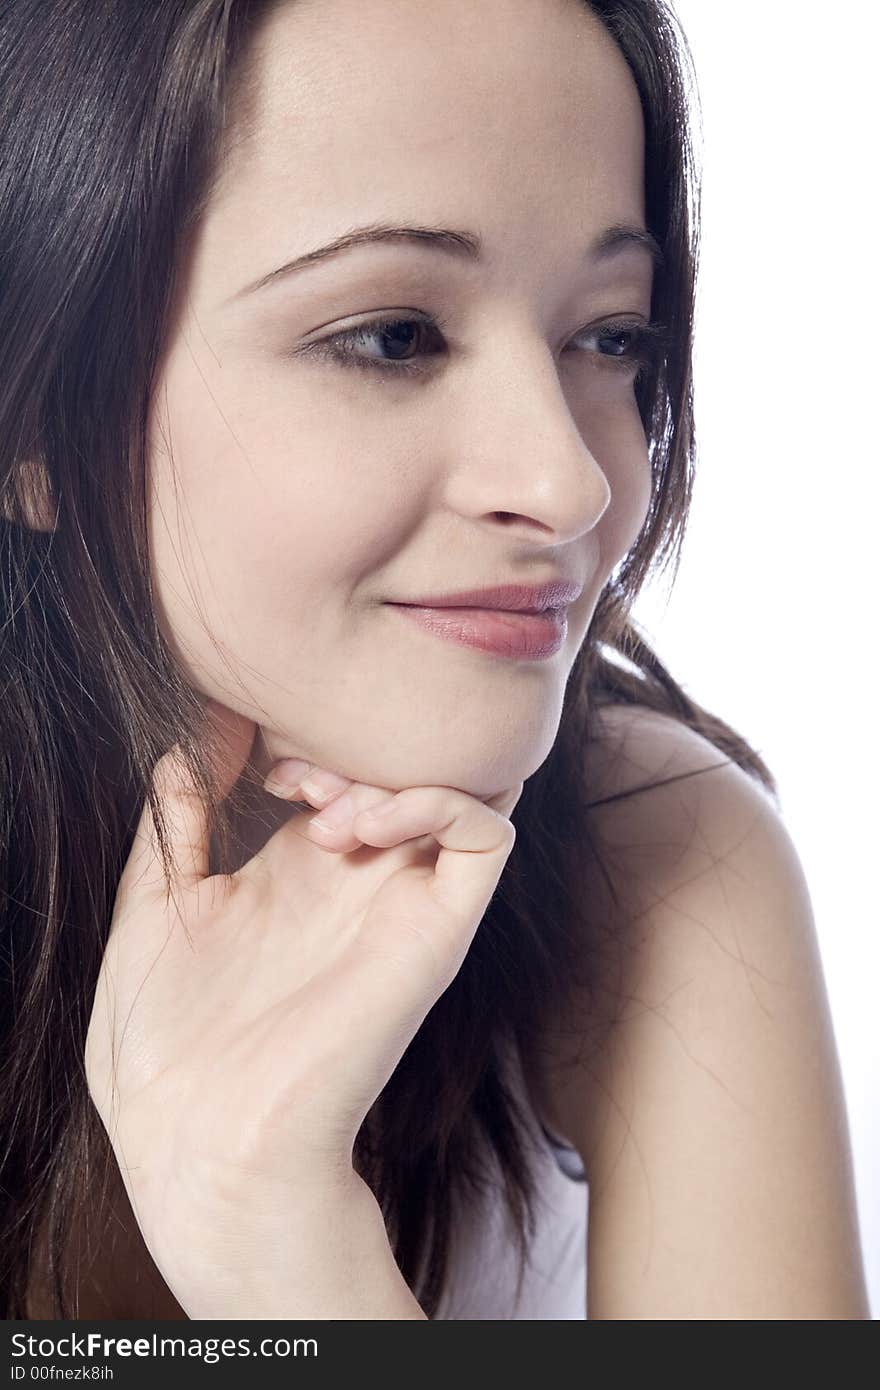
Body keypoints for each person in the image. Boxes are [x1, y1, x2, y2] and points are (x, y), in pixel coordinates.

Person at [0, 0, 868, 1321]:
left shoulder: (659, 859)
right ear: (38, 423)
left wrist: (276, 1235)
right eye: (393, 335)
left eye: (611, 335)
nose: (566, 477)